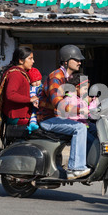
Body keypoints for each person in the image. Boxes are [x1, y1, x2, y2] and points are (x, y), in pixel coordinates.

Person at [37, 44, 91, 180]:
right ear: (66, 61)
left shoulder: (69, 78)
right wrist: (80, 110)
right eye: (76, 59)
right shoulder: (56, 77)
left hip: (58, 118)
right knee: (79, 128)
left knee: (92, 129)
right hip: (47, 119)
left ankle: (88, 162)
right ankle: (75, 168)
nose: (79, 62)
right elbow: (58, 104)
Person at [0, 46, 38, 126]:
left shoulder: (21, 74)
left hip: (21, 116)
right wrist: (30, 99)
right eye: (30, 59)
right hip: (17, 117)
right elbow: (10, 95)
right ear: (21, 60)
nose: (33, 61)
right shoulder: (15, 74)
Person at [58, 73, 98, 152]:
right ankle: (87, 159)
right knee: (91, 141)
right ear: (76, 87)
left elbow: (89, 112)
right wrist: (83, 112)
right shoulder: (69, 99)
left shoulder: (82, 99)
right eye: (85, 89)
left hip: (85, 124)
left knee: (97, 131)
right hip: (76, 126)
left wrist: (94, 104)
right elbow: (71, 115)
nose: (86, 92)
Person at [27, 67, 42, 133]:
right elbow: (33, 95)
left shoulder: (42, 86)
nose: (37, 83)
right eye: (34, 81)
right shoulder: (32, 88)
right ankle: (32, 125)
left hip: (42, 104)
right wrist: (35, 101)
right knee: (34, 115)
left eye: (38, 80)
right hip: (36, 105)